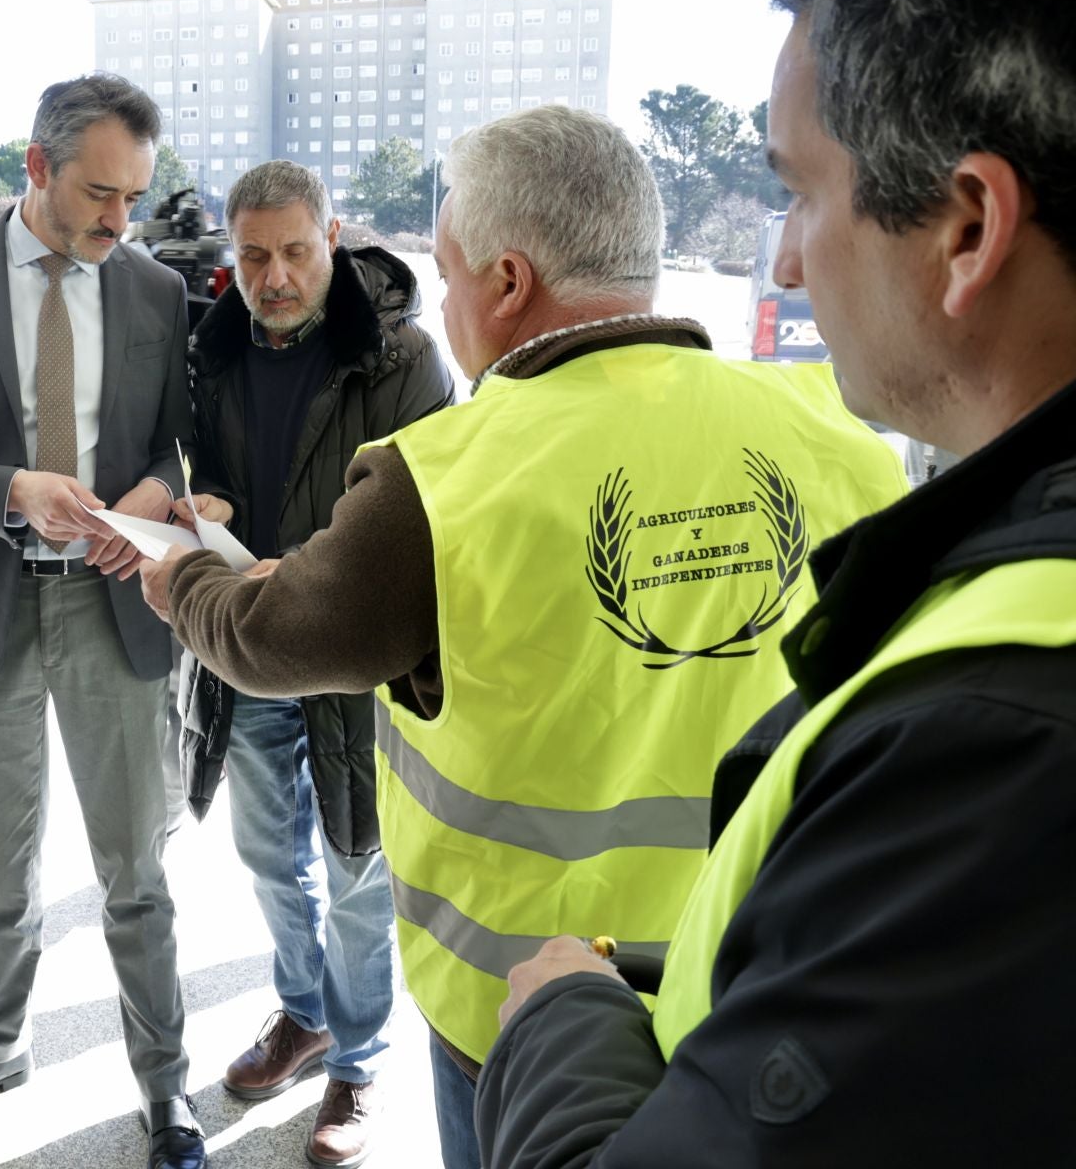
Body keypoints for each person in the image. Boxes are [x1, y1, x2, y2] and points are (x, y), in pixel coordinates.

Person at [141, 105, 907, 1169]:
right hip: (760, 964)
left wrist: (176, 574)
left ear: (505, 284)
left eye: (449, 275)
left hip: (521, 1001)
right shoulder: (840, 434)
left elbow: (272, 641)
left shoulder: (442, 476)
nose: (443, 303)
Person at [476, 0, 1076, 1164]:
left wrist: (560, 1018)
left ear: (969, 227)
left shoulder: (994, 735)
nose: (790, 264)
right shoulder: (961, 545)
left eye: (802, 192)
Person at [0, 74, 203, 1169]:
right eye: (101, 194)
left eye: (136, 197)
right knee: (2, 865)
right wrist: (12, 489)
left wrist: (156, 496)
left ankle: (167, 1090)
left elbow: (174, 451)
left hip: (118, 609)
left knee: (136, 872)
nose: (121, 220)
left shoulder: (156, 292)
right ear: (37, 167)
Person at [176, 159, 452, 1169]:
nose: (275, 274)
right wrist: (193, 505)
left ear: (332, 238)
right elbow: (192, 469)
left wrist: (318, 565)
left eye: (295, 250)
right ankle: (305, 1012)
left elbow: (428, 514)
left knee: (357, 868)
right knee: (265, 851)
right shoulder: (209, 351)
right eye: (253, 255)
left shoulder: (406, 358)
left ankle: (362, 1055)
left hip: (352, 659)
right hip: (248, 644)